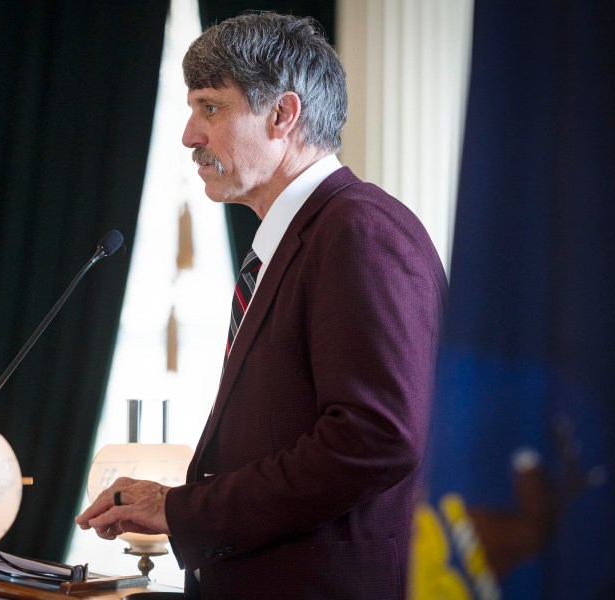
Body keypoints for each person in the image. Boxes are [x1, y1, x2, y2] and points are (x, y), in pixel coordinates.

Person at [77, 12, 447, 599]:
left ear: (283, 115)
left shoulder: (360, 230)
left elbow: (376, 437)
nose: (188, 134)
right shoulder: (298, 239)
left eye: (211, 108)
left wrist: (184, 509)